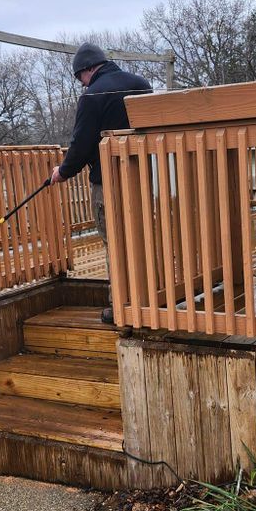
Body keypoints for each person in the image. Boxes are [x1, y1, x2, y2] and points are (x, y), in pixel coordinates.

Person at [50, 42, 152, 324]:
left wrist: (64, 171)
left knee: (115, 243)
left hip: (108, 181)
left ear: (87, 70)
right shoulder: (142, 84)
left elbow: (81, 144)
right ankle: (151, 298)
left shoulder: (93, 95)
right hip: (143, 177)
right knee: (142, 237)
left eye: (79, 78)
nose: (82, 84)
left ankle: (121, 307)